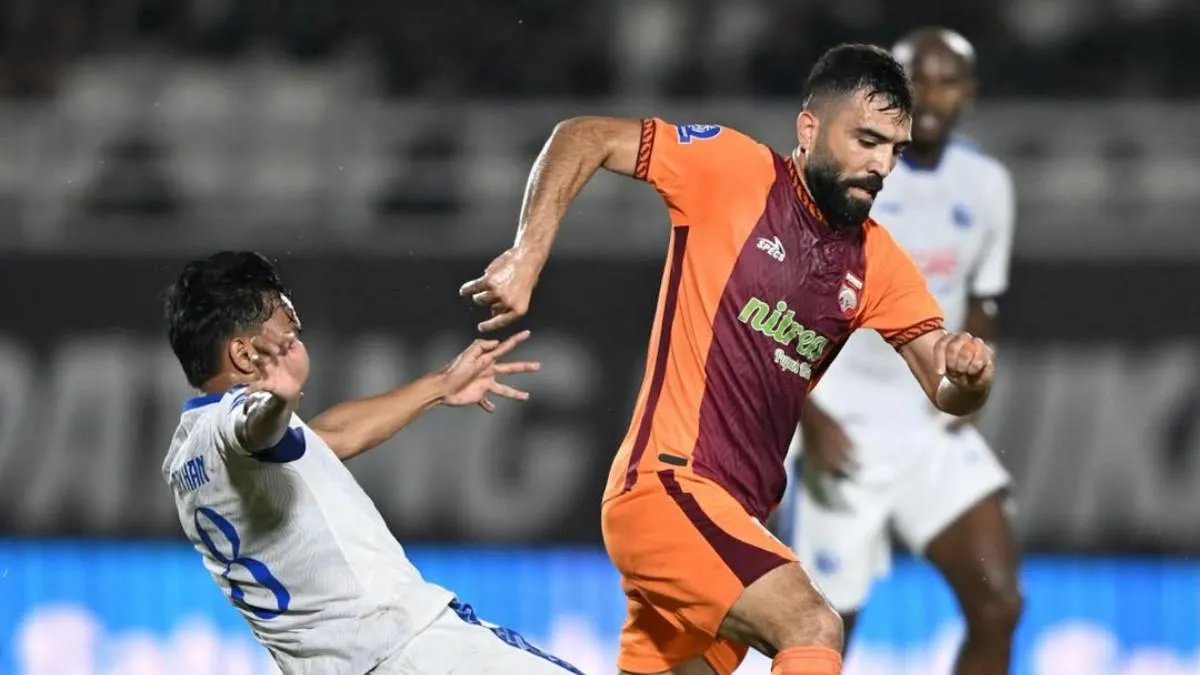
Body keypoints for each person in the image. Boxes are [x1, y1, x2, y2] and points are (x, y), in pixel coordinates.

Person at [459, 43, 997, 675]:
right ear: (809, 128)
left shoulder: (877, 261)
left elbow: (943, 385)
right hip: (668, 490)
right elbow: (584, 136)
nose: (881, 165)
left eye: (895, 151)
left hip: (734, 524)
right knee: (812, 625)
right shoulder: (732, 169)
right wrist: (528, 254)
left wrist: (969, 374)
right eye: (867, 140)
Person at [161, 251, 583, 675]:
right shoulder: (240, 420)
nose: (298, 345)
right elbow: (254, 427)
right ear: (244, 355)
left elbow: (327, 439)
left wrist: (439, 386)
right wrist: (278, 399)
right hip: (415, 652)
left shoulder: (187, 455)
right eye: (290, 333)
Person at [777, 28, 1022, 675]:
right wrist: (808, 417)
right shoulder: (844, 176)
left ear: (969, 92)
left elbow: (986, 297)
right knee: (823, 633)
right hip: (843, 424)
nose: (933, 96)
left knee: (999, 604)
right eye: (918, 83)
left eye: (949, 81)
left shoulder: (987, 184)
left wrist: (970, 376)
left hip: (926, 424)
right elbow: (778, 307)